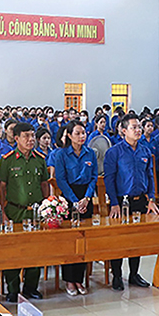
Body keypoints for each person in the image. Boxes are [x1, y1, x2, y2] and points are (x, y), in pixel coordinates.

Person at [103, 113, 159, 291]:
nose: (138, 130)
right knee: (118, 240)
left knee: (136, 239)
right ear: (123, 130)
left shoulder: (144, 150)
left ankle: (134, 274)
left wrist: (151, 199)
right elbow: (109, 179)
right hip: (120, 201)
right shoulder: (114, 152)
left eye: (139, 127)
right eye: (134, 127)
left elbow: (150, 176)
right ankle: (117, 276)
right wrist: (114, 202)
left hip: (139, 201)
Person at [0, 122, 49, 302]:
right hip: (14, 211)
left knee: (35, 251)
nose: (30, 139)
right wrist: (2, 212)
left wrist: (47, 208)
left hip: (34, 212)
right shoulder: (7, 160)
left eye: (32, 135)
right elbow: (1, 187)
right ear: (16, 138)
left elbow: (44, 184)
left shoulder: (40, 159)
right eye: (26, 136)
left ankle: (31, 287)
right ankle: (12, 289)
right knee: (12, 251)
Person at [53, 120, 97, 296]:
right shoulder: (61, 155)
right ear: (69, 135)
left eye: (84, 132)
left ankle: (80, 279)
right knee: (70, 241)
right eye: (77, 133)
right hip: (69, 198)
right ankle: (69, 281)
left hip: (86, 197)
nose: (82, 136)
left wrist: (86, 198)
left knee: (83, 240)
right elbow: (61, 180)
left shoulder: (90, 153)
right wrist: (74, 201)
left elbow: (94, 176)